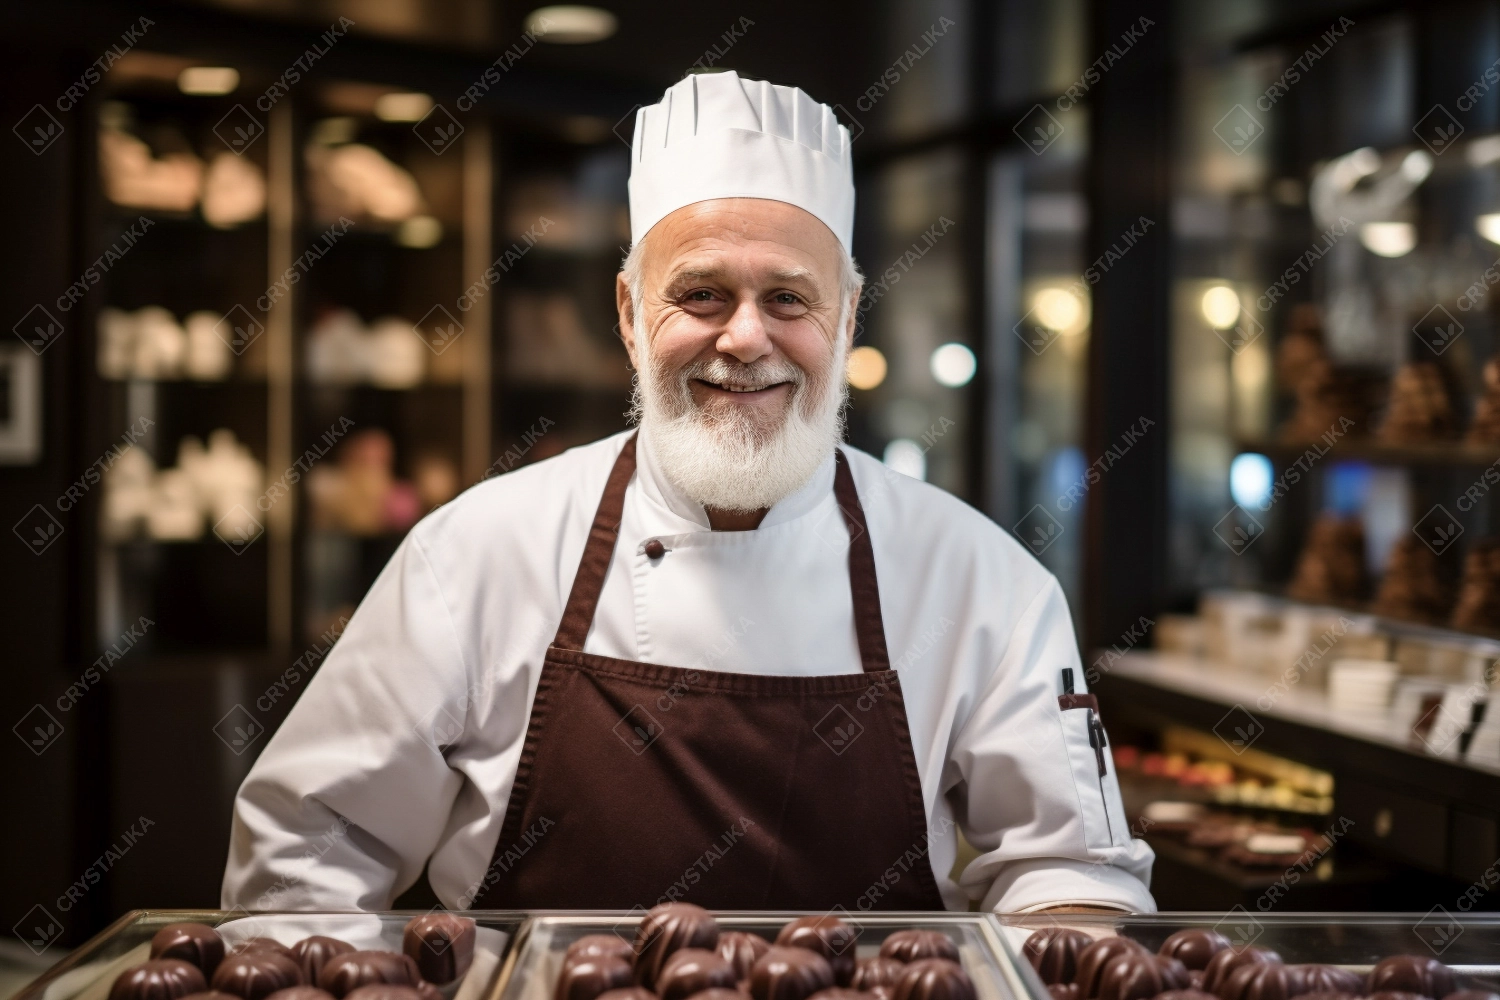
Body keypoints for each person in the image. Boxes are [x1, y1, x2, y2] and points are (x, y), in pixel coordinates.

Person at [223, 71, 1154, 915]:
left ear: (847, 320)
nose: (746, 338)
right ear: (630, 314)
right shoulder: (471, 556)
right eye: (701, 294)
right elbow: (308, 853)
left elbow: (1073, 871)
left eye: (789, 299)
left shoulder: (985, 582)